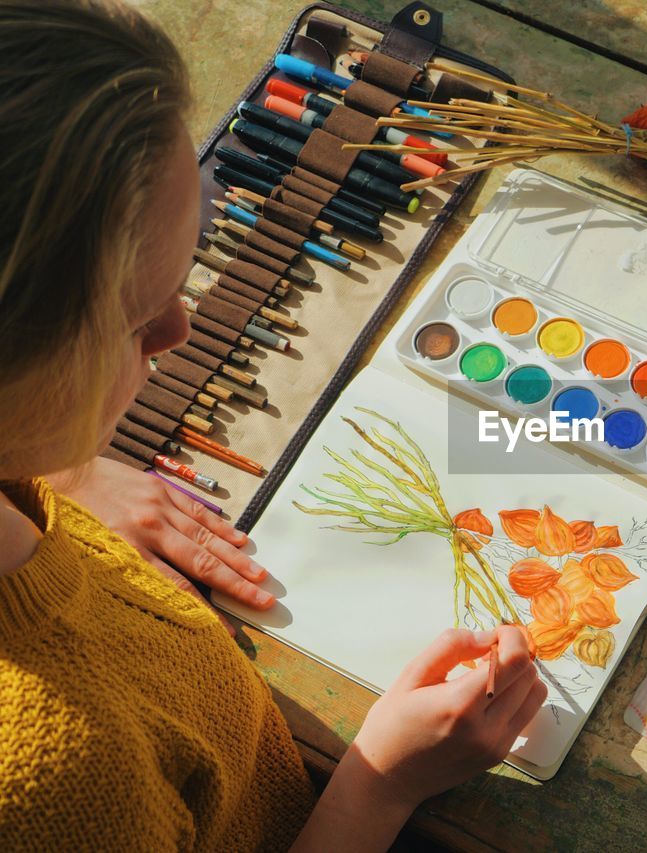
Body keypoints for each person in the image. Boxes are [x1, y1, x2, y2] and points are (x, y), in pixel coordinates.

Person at [0, 1, 546, 849]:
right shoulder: (58, 779)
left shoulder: (30, 477)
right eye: (140, 319)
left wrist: (60, 464)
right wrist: (378, 787)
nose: (181, 332)